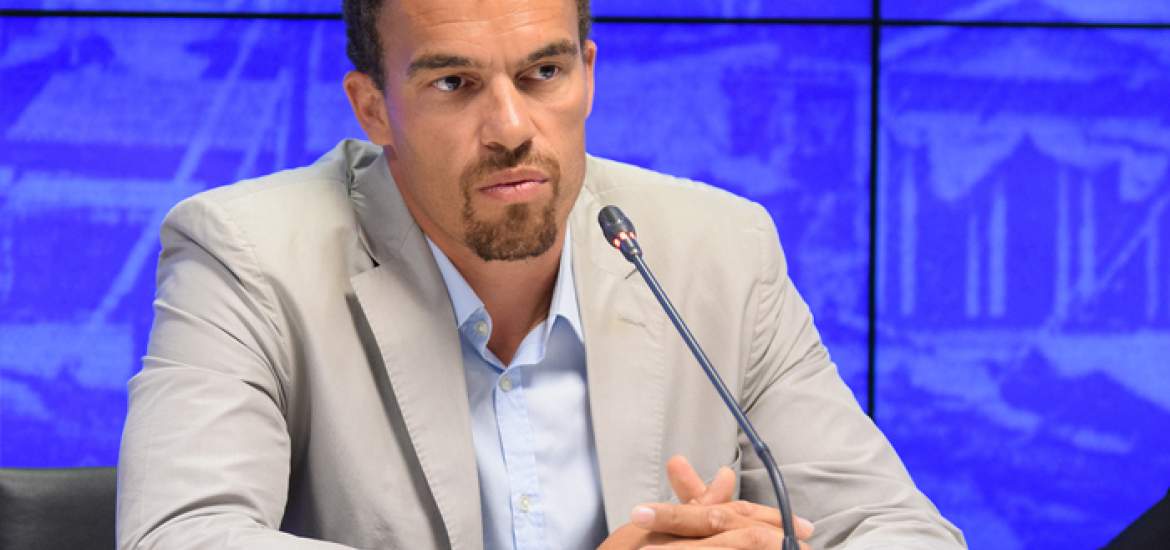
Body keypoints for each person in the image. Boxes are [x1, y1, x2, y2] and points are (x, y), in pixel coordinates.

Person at [116, 0, 966, 548]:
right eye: (455, 83)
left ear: (588, 75)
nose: (512, 127)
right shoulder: (247, 255)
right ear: (374, 108)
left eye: (543, 74)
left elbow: (899, 528)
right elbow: (182, 536)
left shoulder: (719, 249)